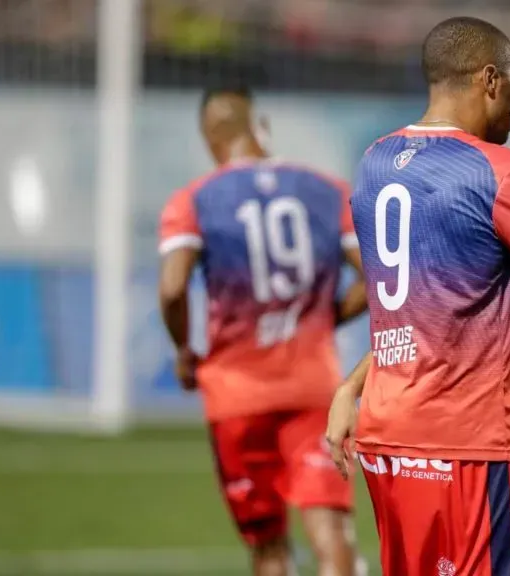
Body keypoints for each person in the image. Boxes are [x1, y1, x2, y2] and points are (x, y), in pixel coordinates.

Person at [327, 17, 510, 576]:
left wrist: (350, 387)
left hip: (387, 435)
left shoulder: (375, 162)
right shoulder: (498, 172)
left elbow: (421, 313)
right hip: (469, 444)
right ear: (488, 80)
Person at [158, 86, 366, 576]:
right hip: (314, 388)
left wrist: (185, 350)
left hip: (235, 396)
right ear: (261, 127)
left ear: (210, 139)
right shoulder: (328, 190)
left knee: (269, 547)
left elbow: (171, 290)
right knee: (332, 536)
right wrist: (327, 316)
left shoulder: (193, 201)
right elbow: (377, 278)